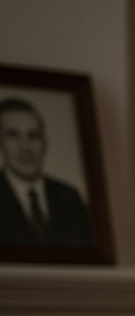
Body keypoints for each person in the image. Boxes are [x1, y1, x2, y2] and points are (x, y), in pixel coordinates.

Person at [0, 97, 92, 246]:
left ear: (44, 143)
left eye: (33, 136)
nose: (25, 147)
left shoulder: (70, 197)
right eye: (13, 135)